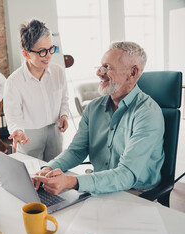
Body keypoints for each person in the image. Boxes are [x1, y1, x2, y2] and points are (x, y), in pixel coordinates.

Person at [34, 41, 165, 195]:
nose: (99, 73)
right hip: (101, 184)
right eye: (100, 66)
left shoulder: (148, 114)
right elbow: (76, 151)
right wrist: (49, 168)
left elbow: (126, 175)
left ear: (133, 72)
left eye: (107, 67)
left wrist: (72, 182)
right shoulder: (93, 108)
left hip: (135, 192)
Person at [3, 19, 70, 161]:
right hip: (28, 135)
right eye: (42, 52)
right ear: (26, 54)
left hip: (55, 131)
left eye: (51, 48)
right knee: (32, 175)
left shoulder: (58, 72)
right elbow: (13, 116)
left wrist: (64, 115)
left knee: (54, 172)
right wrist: (17, 131)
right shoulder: (14, 82)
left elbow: (64, 98)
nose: (49, 55)